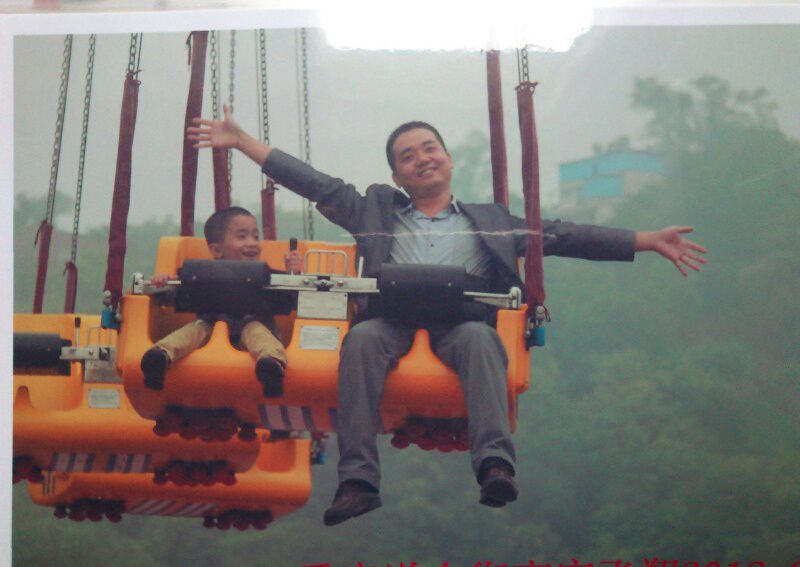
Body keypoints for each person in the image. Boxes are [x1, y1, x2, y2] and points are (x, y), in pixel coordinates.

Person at [187, 105, 707, 526]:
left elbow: (565, 236)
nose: (422, 159)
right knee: (361, 341)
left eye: (429, 148)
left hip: (460, 320)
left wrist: (645, 241)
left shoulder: (493, 222)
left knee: (482, 342)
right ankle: (358, 481)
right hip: (390, 318)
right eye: (408, 156)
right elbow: (315, 184)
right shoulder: (375, 211)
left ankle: (495, 465)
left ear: (448, 158)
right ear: (397, 175)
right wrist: (244, 142)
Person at [140, 206, 303, 397]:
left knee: (256, 331)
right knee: (194, 329)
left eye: (255, 237)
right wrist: (163, 282)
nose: (252, 243)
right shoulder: (203, 276)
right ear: (217, 250)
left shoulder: (266, 276)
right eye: (242, 237)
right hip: (211, 330)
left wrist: (294, 275)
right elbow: (172, 297)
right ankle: (159, 357)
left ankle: (271, 365)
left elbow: (291, 299)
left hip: (252, 331)